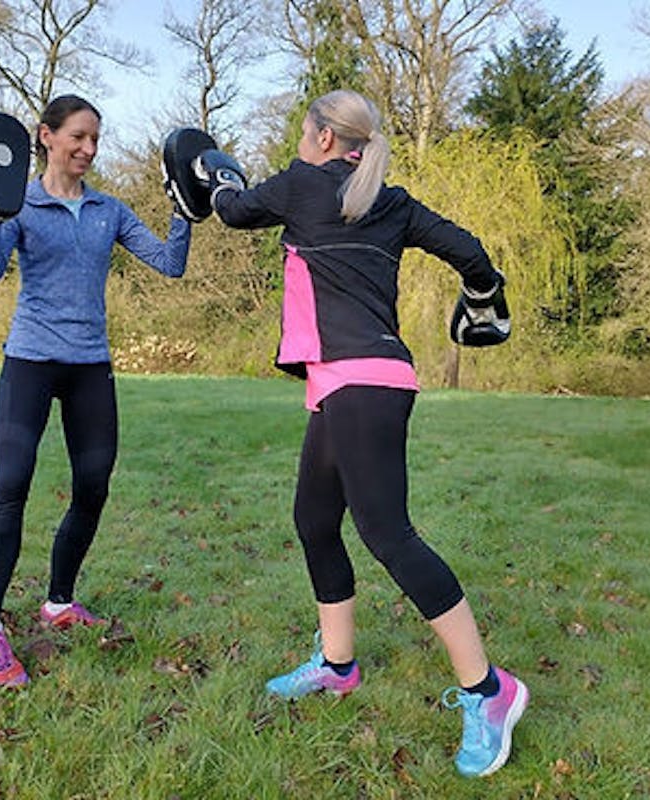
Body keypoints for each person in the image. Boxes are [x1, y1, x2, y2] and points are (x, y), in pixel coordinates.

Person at [205, 90, 528, 778]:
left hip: (359, 384)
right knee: (315, 520)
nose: (301, 140)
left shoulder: (302, 184)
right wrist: (481, 297)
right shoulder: (391, 200)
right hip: (354, 382)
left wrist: (217, 174)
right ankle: (337, 663)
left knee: (388, 534)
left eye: (304, 130)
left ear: (324, 138)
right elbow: (472, 254)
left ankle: (488, 690)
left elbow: (232, 211)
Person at [0, 95, 191, 687]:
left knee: (93, 486)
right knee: (12, 483)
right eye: (78, 137)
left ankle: (59, 601)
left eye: (96, 139)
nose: (89, 149)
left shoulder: (106, 210)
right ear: (47, 136)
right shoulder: (19, 203)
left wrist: (184, 208)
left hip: (90, 363)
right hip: (31, 360)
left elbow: (169, 263)